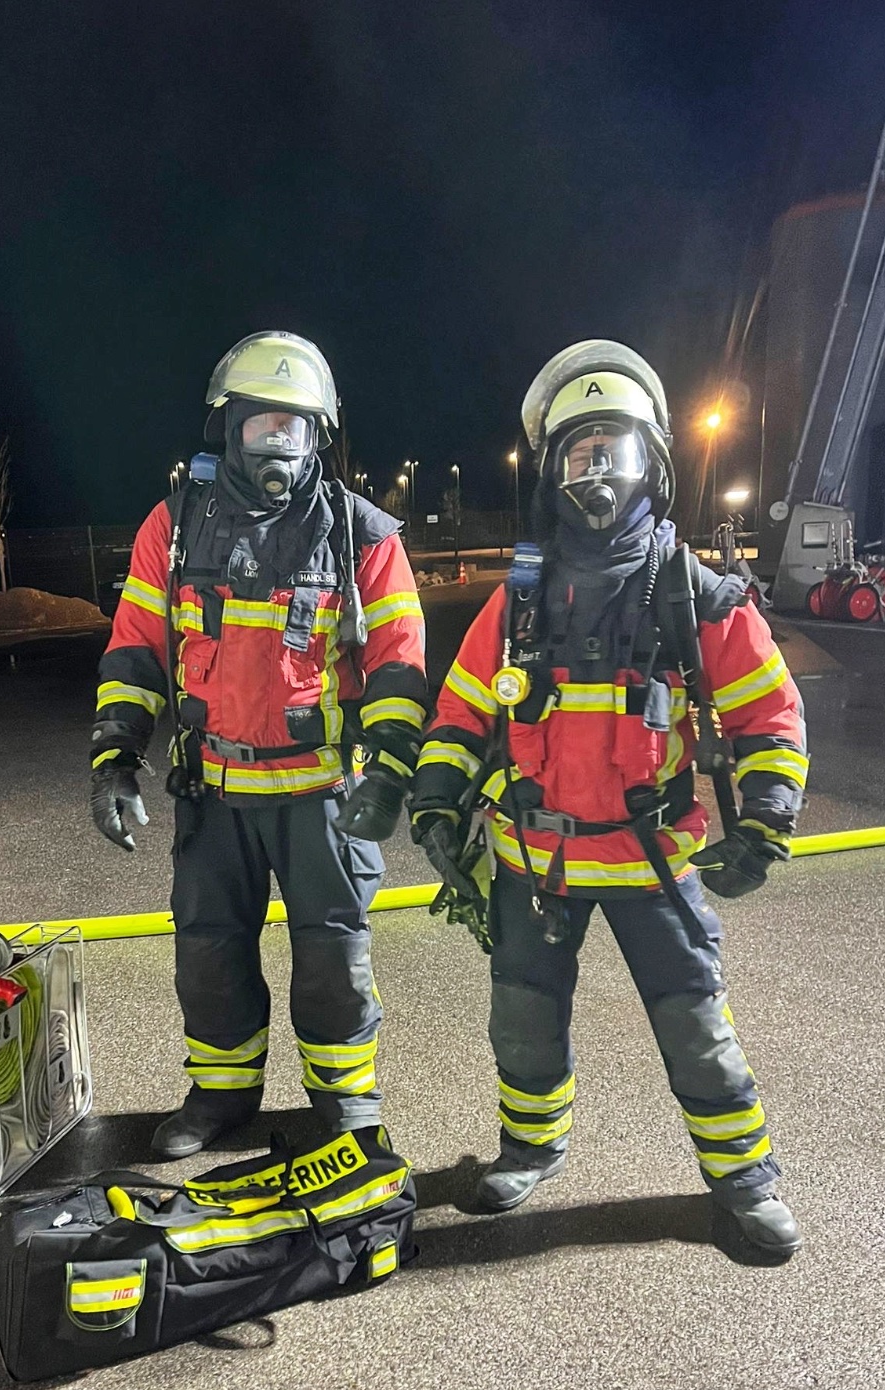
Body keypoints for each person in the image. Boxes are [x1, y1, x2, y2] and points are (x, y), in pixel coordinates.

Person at [409, 340, 807, 1254]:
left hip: (649, 861)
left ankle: (743, 1180)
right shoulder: (519, 599)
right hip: (533, 861)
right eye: (579, 453)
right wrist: (434, 801)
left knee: (695, 1024)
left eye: (613, 450)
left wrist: (767, 822)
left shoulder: (693, 592)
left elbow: (769, 713)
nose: (597, 472)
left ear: (651, 464)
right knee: (522, 1018)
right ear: (552, 472)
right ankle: (530, 1146)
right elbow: (462, 709)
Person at [90, 331, 427, 1158]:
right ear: (228, 425)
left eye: (294, 427)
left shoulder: (361, 534)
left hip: (324, 799)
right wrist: (115, 758)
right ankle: (222, 1094)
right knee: (208, 954)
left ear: (319, 435)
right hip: (214, 793)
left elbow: (399, 662)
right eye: (261, 424)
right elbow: (136, 649)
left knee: (334, 957)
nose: (278, 442)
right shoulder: (175, 526)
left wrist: (391, 768)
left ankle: (345, 1097)